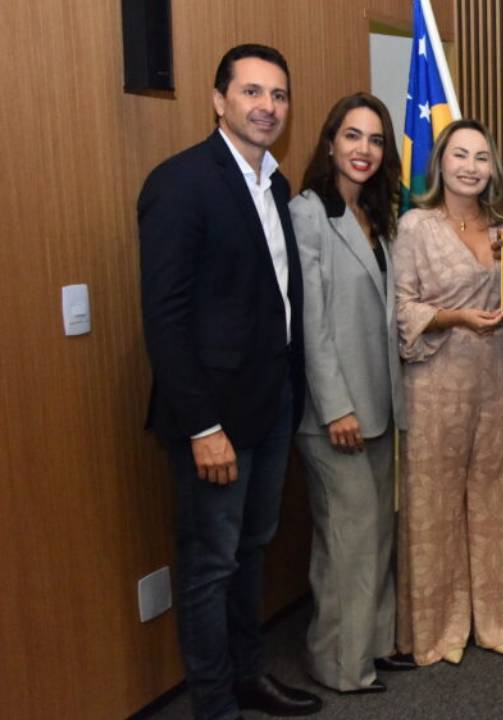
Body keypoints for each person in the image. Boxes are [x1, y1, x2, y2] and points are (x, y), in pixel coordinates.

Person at [138, 44, 321, 719]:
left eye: (277, 94)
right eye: (251, 92)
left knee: (252, 549)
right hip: (212, 419)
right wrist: (202, 428)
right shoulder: (180, 182)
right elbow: (165, 317)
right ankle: (214, 705)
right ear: (219, 100)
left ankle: (249, 677)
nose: (266, 106)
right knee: (210, 564)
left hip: (270, 405)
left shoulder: (274, 183)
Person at [393, 119, 503, 665]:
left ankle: (497, 618)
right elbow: (401, 308)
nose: (471, 166)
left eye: (482, 157)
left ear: (493, 168)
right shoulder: (415, 226)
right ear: (440, 164)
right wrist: (454, 316)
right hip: (438, 380)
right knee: (434, 503)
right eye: (460, 155)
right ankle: (439, 630)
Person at [290, 92, 413, 694]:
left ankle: (374, 643)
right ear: (330, 141)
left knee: (376, 532)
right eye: (353, 136)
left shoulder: (373, 214)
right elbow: (308, 320)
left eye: (375, 140)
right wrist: (334, 404)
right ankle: (339, 663)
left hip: (381, 403)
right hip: (336, 411)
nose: (364, 150)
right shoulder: (308, 213)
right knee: (347, 539)